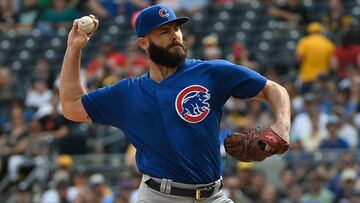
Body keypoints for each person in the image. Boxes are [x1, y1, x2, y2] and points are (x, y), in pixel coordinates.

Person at [59, 4, 291, 202]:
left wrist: (282, 124)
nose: (174, 35)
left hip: (213, 195)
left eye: (176, 28)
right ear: (144, 43)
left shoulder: (210, 72)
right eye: (163, 31)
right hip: (159, 196)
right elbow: (72, 106)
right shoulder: (127, 93)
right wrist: (74, 48)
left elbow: (273, 89)